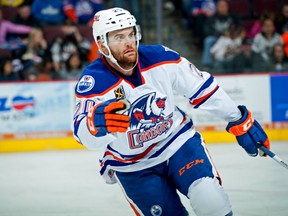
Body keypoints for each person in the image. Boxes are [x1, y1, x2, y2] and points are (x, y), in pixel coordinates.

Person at [72, 8, 270, 216]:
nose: (129, 42)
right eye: (119, 37)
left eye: (131, 34)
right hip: (133, 166)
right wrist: (93, 126)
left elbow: (202, 87)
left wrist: (237, 117)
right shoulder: (93, 82)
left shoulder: (159, 57)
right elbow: (81, 133)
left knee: (211, 201)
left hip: (177, 144)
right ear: (102, 44)